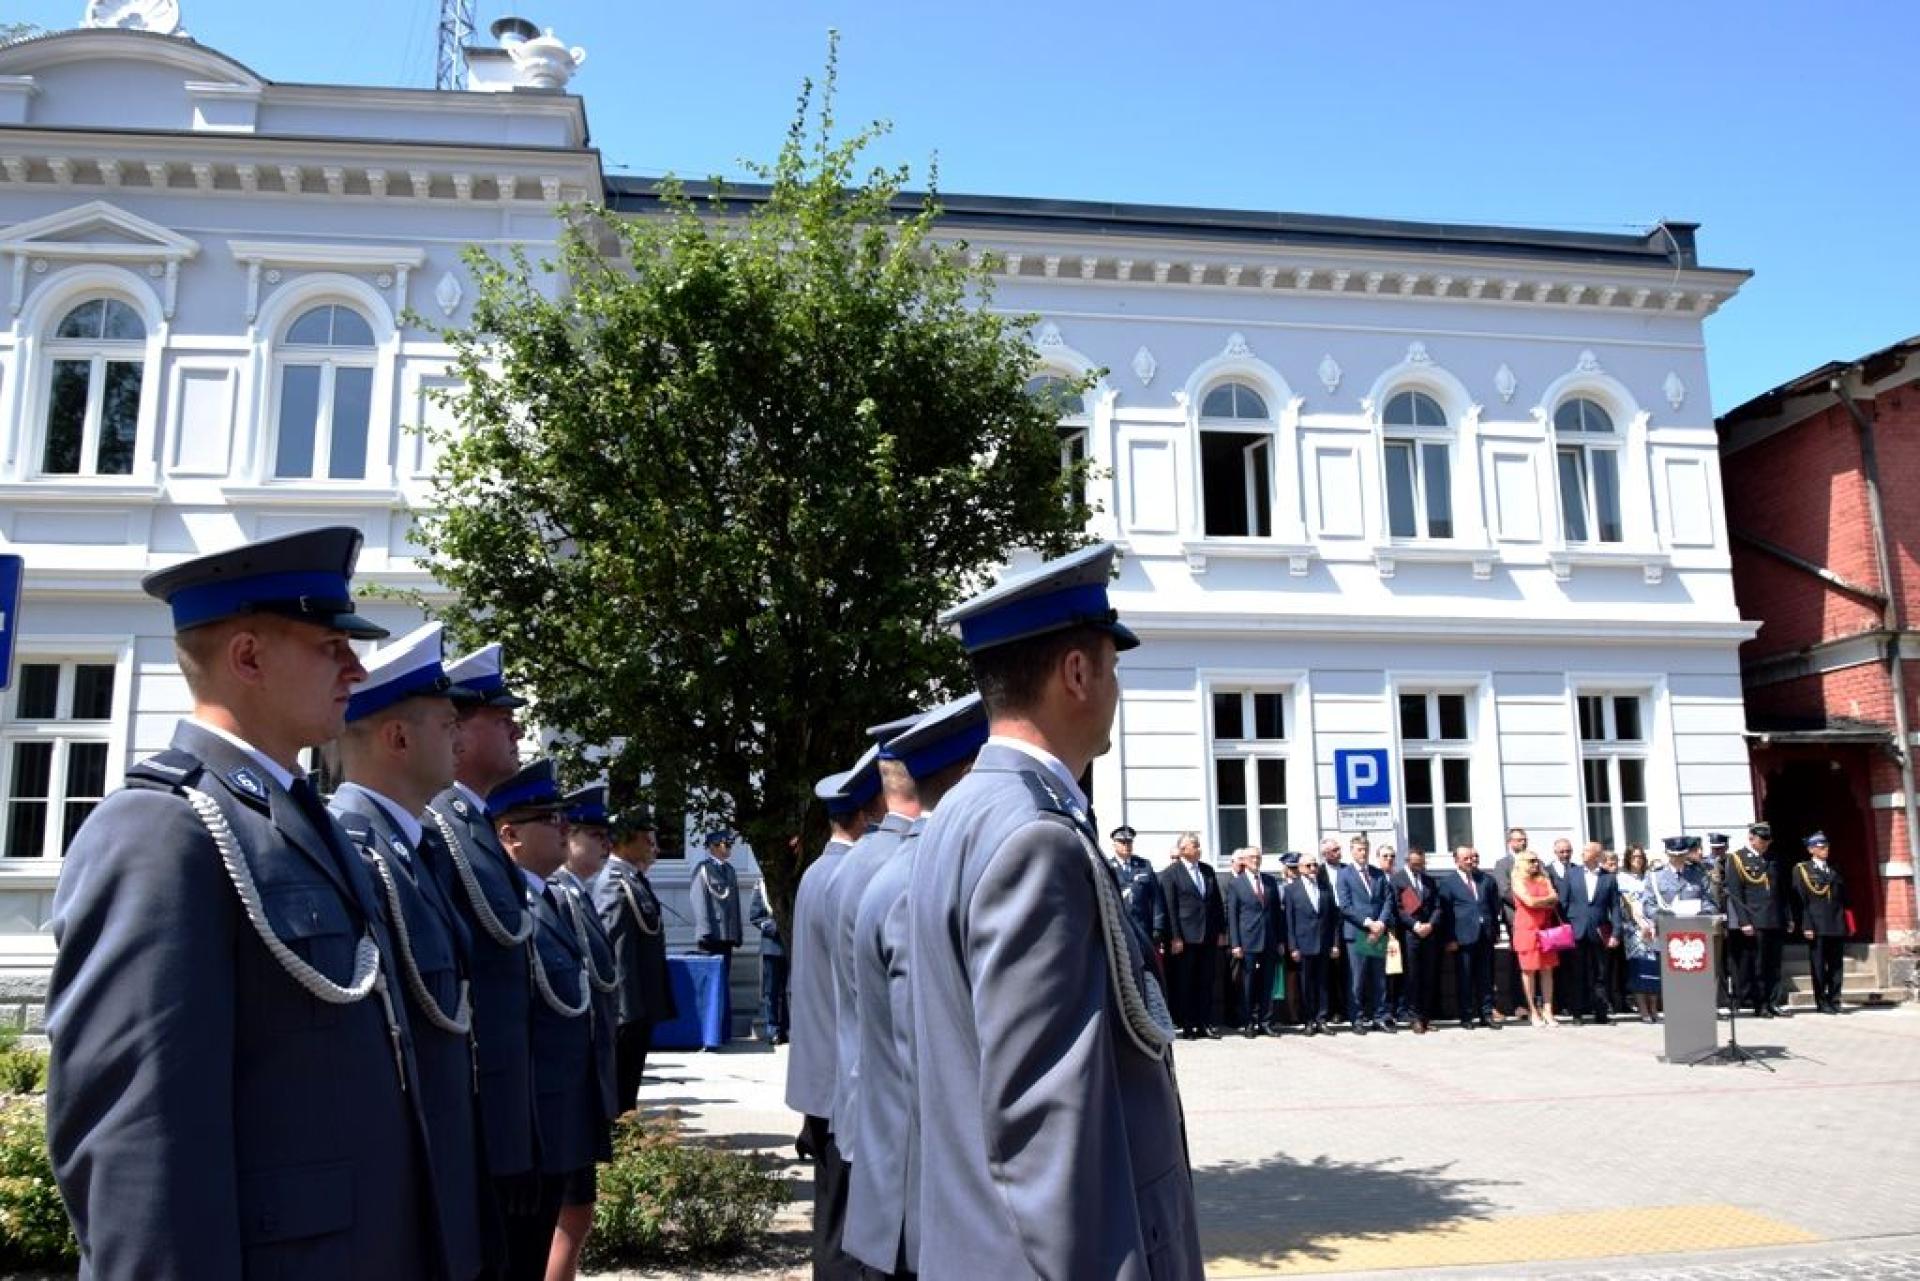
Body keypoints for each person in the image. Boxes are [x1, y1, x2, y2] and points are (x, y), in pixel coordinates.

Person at [45, 526, 446, 1280]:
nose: (356, 670)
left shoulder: (302, 819)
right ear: (249, 657)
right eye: (332, 646)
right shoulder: (162, 829)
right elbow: (138, 1138)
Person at [909, 541, 1201, 1279]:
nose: (1115, 688)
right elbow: (1047, 1132)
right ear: (1077, 672)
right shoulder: (1036, 837)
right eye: (1113, 665)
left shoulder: (965, 811)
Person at [329, 620, 493, 1281]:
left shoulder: (413, 849)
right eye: (447, 722)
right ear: (397, 736)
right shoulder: (351, 848)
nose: (461, 738)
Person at [845, 693, 989, 1280]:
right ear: (970, 773)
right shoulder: (922, 878)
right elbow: (928, 1054)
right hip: (922, 1195)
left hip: (904, 1184)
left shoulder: (907, 868)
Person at [430, 642, 550, 1281]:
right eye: (499, 716)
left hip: (503, 1122)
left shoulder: (473, 827)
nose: (517, 729)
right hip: (476, 1125)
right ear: (455, 726)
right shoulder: (441, 828)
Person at [491, 760, 602, 1281]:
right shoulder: (503, 907)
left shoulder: (543, 898)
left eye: (562, 817)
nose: (564, 827)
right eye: (548, 818)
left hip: (558, 1123)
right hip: (533, 1132)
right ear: (509, 834)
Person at [784, 753, 882, 1280]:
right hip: (845, 1078)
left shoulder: (818, 873)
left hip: (821, 1078)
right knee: (848, 1234)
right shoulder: (857, 878)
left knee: (831, 1224)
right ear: (869, 814)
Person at [550, 783, 621, 1281]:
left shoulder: (576, 895)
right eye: (593, 834)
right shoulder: (555, 896)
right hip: (562, 1087)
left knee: (577, 1216)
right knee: (568, 1218)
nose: (605, 845)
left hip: (579, 1082)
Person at [595, 805, 677, 1112]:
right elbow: (615, 949)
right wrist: (625, 1008)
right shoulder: (615, 882)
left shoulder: (632, 879)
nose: (653, 847)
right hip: (627, 1005)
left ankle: (625, 1136)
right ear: (626, 841)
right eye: (646, 839)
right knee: (621, 1082)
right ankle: (619, 1142)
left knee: (630, 1081)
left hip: (638, 1001)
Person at [1159, 831, 1227, 1039]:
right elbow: (1170, 907)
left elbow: (1215, 903)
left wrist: (1222, 931)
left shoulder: (1207, 870)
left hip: (1207, 934)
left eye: (1198, 844)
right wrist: (1175, 937)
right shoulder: (1171, 873)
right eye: (1194, 845)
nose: (1198, 848)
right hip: (1185, 937)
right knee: (1185, 982)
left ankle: (1204, 1022)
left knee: (1206, 980)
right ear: (1182, 850)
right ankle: (1187, 1024)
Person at [1725, 821, 1788, 1018]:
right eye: (1762, 840)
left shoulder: (1772, 859)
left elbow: (1781, 892)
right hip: (1754, 919)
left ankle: (1773, 1001)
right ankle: (1759, 1003)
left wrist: (1788, 917)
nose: (1766, 844)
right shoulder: (1737, 859)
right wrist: (1743, 921)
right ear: (1751, 838)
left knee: (1775, 965)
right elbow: (1736, 893)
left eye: (1768, 841)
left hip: (1774, 918)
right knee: (1758, 965)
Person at [1436, 844, 1502, 1029]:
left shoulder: (1487, 880)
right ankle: (1466, 1016)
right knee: (1464, 977)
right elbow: (1446, 913)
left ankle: (1486, 1014)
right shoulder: (1448, 883)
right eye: (1466, 858)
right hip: (1462, 937)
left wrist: (1495, 931)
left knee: (1486, 978)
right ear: (1456, 860)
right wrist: (1449, 938)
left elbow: (1494, 907)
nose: (1471, 861)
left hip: (1485, 935)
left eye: (1473, 857)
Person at [1335, 833, 1394, 1032]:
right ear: (1352, 851)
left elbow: (1388, 900)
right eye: (1360, 850)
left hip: (1378, 932)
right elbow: (1345, 906)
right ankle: (1357, 1018)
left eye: (1366, 850)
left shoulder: (1378, 874)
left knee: (1378, 979)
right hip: (1358, 931)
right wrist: (1368, 923)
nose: (1363, 853)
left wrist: (1381, 923)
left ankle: (1379, 1017)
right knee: (1357, 979)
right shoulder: (1344, 875)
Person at [1225, 847, 1285, 1036]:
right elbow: (1232, 915)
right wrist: (1235, 943)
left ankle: (1265, 1021)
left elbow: (1277, 913)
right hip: (1248, 940)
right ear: (1244, 860)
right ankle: (1249, 1022)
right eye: (1252, 857)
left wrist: (1281, 940)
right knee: (1248, 983)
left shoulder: (1269, 881)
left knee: (1267, 983)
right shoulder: (1237, 884)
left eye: (1258, 857)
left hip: (1269, 939)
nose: (1256, 860)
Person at [1561, 841, 1621, 1024]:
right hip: (1576, 930)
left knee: (1600, 974)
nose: (1583, 853)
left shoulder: (1608, 878)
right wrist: (1566, 926)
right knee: (1577, 973)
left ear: (1597, 855)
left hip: (1599, 931)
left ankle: (1601, 1013)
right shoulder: (1572, 874)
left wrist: (1616, 933)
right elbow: (1563, 902)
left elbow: (1615, 907)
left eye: (1587, 851)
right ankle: (1577, 1013)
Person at [1282, 849, 1341, 1034]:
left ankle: (1321, 1019)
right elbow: (1289, 921)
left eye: (1315, 864)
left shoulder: (1325, 887)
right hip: (1303, 944)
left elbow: (1333, 919)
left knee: (1323, 983)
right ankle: (1308, 1019)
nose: (1313, 868)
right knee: (1306, 984)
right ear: (1300, 868)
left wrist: (1335, 943)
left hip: (1324, 943)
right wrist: (1293, 947)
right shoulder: (1291, 890)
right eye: (1309, 865)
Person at [1793, 832, 1850, 1014]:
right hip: (1816, 924)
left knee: (1836, 965)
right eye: (1820, 847)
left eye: (1826, 846)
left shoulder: (1834, 869)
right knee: (1818, 965)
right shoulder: (1802, 869)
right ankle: (1822, 1001)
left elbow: (1843, 898)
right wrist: (1806, 925)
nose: (1825, 850)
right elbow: (1801, 900)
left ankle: (1835, 998)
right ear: (1811, 849)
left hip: (1836, 922)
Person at [1392, 845, 1444, 1033]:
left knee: (1428, 976)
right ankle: (1413, 1016)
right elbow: (1398, 908)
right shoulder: (1398, 880)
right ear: (1407, 862)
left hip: (1429, 934)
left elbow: (1438, 906)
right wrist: (1415, 926)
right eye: (1415, 864)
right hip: (1409, 934)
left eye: (1421, 864)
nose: (1419, 867)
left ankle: (1426, 1017)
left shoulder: (1429, 881)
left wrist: (1430, 924)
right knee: (1412, 977)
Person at [690, 830, 745, 1000]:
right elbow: (698, 899)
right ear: (714, 847)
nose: (729, 848)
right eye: (726, 844)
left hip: (726, 935)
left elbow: (734, 905)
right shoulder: (703, 870)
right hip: (712, 936)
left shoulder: (729, 870)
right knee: (710, 986)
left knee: (723, 983)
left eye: (730, 845)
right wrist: (705, 931)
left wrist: (736, 934)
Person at [1510, 851, 1562, 1026]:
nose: (1535, 864)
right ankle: (1533, 1011)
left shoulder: (1544, 878)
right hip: (1527, 930)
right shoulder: (1517, 879)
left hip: (1546, 929)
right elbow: (1529, 902)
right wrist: (1545, 900)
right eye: (1531, 861)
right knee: (1529, 971)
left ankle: (1548, 1010)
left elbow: (1555, 898)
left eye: (1537, 860)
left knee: (1547, 970)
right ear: (1522, 862)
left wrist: (1541, 900)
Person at [1617, 845, 1661, 1022]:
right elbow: (1628, 905)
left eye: (1641, 857)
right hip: (1634, 929)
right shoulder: (1622, 878)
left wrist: (1652, 924)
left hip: (1653, 927)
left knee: (1653, 967)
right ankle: (1642, 1008)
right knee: (1639, 968)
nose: (1638, 860)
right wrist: (1641, 924)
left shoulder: (1651, 877)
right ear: (1628, 858)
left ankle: (1654, 1007)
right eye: (1634, 856)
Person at [1110, 824, 1168, 955]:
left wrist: (1157, 927)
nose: (1127, 845)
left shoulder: (1144, 865)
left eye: (1129, 842)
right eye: (1123, 842)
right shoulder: (1109, 867)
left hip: (1143, 927)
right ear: (1114, 845)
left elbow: (1156, 898)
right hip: (1119, 927)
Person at [748, 876, 788, 1045]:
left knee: (788, 990)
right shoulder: (762, 885)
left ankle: (787, 1027)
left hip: (790, 945)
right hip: (772, 945)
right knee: (771, 991)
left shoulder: (792, 882)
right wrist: (775, 927)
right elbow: (756, 916)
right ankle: (773, 1029)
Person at [1493, 827, 1527, 1021]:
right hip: (1517, 917)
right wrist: (1527, 903)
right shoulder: (1503, 864)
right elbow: (1504, 890)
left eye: (1524, 839)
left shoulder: (1534, 861)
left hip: (1536, 919)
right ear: (1510, 843)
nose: (1523, 843)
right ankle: (1519, 1003)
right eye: (1519, 840)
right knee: (1518, 961)